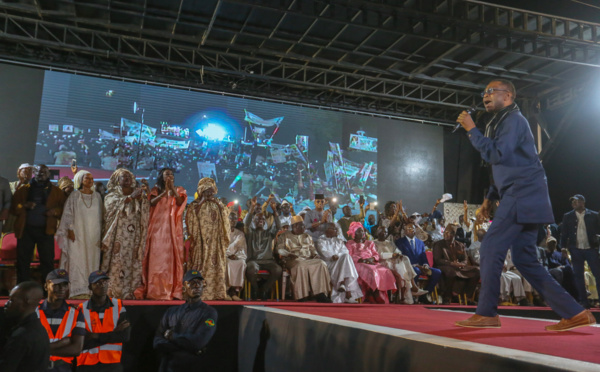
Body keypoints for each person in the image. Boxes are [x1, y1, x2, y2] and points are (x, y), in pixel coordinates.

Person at [455, 79, 594, 331]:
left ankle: (486, 312)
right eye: (483, 92)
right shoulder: (504, 121)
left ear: (507, 96)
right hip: (526, 194)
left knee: (490, 247)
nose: (485, 96)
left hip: (520, 193)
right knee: (525, 259)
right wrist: (489, 197)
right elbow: (507, 165)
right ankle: (574, 312)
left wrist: (471, 129)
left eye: (490, 92)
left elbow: (497, 155)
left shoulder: (514, 120)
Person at [135, 168, 187, 300]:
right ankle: (154, 291)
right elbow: (151, 203)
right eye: (166, 174)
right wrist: (164, 192)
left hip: (172, 230)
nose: (170, 176)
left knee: (169, 260)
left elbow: (180, 203)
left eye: (171, 174)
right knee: (156, 259)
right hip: (157, 229)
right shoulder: (156, 190)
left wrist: (172, 190)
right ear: (161, 177)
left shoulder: (179, 190)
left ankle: (169, 291)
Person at [11, 164, 66, 283]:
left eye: (44, 172)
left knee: (47, 262)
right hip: (26, 230)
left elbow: (64, 210)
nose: (41, 174)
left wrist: (55, 211)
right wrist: (24, 206)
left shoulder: (56, 191)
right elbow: (14, 209)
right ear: (34, 173)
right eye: (39, 172)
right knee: (23, 261)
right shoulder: (23, 190)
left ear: (48, 174)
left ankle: (48, 292)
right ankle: (22, 289)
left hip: (46, 230)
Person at [153, 270, 218, 372]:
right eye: (192, 283)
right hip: (168, 367)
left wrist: (172, 337)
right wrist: (186, 347)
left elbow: (199, 342)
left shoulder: (209, 313)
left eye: (199, 282)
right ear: (184, 287)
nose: (197, 286)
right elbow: (157, 341)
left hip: (192, 367)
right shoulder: (171, 312)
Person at [101, 169, 149, 300]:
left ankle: (130, 291)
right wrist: (130, 198)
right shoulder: (112, 195)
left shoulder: (138, 195)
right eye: (124, 177)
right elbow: (110, 209)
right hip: (118, 234)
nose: (127, 179)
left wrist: (140, 200)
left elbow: (145, 211)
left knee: (132, 261)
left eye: (129, 177)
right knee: (116, 260)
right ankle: (113, 290)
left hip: (134, 236)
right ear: (117, 179)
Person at [56, 170, 103, 299]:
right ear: (80, 180)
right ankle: (77, 290)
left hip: (93, 234)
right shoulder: (75, 196)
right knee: (77, 259)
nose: (90, 181)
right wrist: (70, 229)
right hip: (77, 234)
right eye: (87, 179)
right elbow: (68, 213)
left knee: (92, 260)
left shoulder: (97, 196)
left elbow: (100, 217)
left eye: (92, 179)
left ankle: (90, 289)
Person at [185, 178, 230, 300]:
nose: (209, 194)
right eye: (206, 191)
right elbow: (191, 220)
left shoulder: (218, 204)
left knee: (217, 265)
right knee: (202, 264)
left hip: (216, 241)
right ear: (201, 192)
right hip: (202, 241)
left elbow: (226, 219)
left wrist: (219, 205)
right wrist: (201, 202)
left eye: (211, 191)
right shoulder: (195, 205)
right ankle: (201, 293)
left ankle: (217, 292)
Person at [77, 271, 131, 371]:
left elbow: (124, 336)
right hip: (87, 363)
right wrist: (113, 333)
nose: (102, 286)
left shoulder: (118, 306)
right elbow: (81, 343)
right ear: (90, 287)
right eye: (97, 283)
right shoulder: (81, 309)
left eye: (105, 282)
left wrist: (95, 336)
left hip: (112, 363)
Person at [37, 269, 85, 372]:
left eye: (64, 284)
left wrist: (42, 350)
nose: (61, 288)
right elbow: (28, 346)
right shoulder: (34, 312)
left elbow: (76, 349)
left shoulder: (76, 314)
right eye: (57, 284)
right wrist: (61, 343)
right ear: (46, 286)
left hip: (63, 368)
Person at [276, 215, 332, 302]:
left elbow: (313, 249)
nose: (304, 227)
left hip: (308, 259)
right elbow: (279, 249)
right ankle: (301, 295)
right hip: (292, 259)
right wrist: (288, 254)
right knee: (301, 265)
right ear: (294, 226)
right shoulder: (284, 236)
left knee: (321, 263)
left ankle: (320, 294)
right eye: (302, 225)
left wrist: (316, 255)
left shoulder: (307, 236)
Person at [560, 194, 600, 309]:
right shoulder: (568, 216)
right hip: (575, 249)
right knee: (578, 276)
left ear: (583, 202)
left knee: (598, 274)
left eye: (576, 201)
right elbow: (564, 233)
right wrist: (563, 248)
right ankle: (584, 301)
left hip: (591, 249)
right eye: (572, 202)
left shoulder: (593, 215)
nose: (573, 203)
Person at [0, 281, 49, 372]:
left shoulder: (22, 335)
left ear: (26, 301)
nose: (6, 304)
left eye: (11, 300)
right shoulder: (39, 328)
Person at [374, 225, 427, 304]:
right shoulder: (374, 243)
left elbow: (397, 251)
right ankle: (412, 287)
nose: (384, 233)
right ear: (377, 232)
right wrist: (392, 255)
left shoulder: (390, 243)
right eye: (382, 231)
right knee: (400, 267)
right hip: (382, 263)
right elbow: (377, 255)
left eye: (386, 232)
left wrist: (398, 254)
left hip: (393, 261)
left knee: (405, 258)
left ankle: (408, 289)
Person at [346, 222, 397, 304]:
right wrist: (363, 260)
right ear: (354, 233)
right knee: (372, 271)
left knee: (385, 270)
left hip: (371, 262)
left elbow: (376, 255)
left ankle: (381, 291)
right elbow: (349, 256)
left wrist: (372, 258)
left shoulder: (369, 243)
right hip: (358, 263)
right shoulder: (350, 243)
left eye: (362, 231)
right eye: (359, 231)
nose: (362, 233)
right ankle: (375, 292)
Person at [244, 197, 282, 300]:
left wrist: (274, 211)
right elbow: (246, 223)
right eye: (257, 219)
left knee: (278, 270)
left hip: (268, 261)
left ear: (265, 222)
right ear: (254, 222)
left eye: (262, 219)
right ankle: (256, 289)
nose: (260, 220)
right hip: (253, 261)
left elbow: (278, 227)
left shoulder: (269, 233)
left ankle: (264, 289)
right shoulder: (250, 232)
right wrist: (252, 208)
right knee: (251, 269)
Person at [315, 223, 363, 303]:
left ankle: (343, 284)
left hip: (340, 262)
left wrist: (338, 256)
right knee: (346, 260)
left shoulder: (339, 240)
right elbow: (323, 252)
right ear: (327, 230)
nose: (336, 231)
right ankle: (348, 295)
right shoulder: (321, 241)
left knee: (346, 257)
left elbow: (345, 251)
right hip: (329, 263)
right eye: (334, 229)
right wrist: (332, 256)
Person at [433, 225, 480, 304]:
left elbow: (465, 259)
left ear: (454, 235)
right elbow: (438, 260)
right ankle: (447, 297)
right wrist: (451, 263)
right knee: (451, 271)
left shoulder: (460, 245)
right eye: (445, 232)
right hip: (444, 266)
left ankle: (467, 296)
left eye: (449, 233)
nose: (446, 234)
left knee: (477, 270)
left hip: (458, 267)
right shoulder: (439, 244)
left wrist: (460, 264)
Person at [396, 223, 441, 304]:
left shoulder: (420, 242)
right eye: (409, 228)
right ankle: (413, 295)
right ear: (405, 231)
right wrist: (413, 266)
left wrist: (425, 264)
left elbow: (423, 256)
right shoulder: (399, 242)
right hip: (408, 267)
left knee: (437, 272)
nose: (411, 230)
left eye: (413, 228)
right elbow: (400, 257)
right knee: (416, 270)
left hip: (421, 267)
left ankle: (424, 295)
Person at [226, 211, 247, 301]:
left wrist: (236, 255)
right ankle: (226, 291)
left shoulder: (240, 234)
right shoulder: (222, 231)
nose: (233, 221)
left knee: (242, 263)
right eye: (231, 218)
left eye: (235, 219)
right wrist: (228, 255)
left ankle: (234, 292)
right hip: (224, 257)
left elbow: (242, 248)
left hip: (236, 256)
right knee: (228, 263)